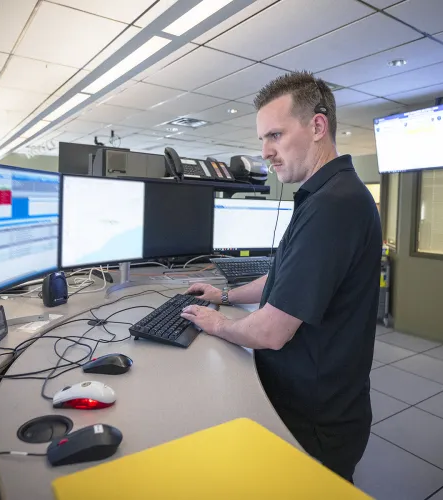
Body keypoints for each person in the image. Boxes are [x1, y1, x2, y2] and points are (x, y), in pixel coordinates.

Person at [180, 71, 381, 482]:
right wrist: (226, 296)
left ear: (318, 126)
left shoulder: (334, 206)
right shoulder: (328, 194)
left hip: (315, 420)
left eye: (275, 135)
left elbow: (272, 332)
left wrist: (216, 324)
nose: (266, 152)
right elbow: (283, 276)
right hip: (316, 404)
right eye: (262, 140)